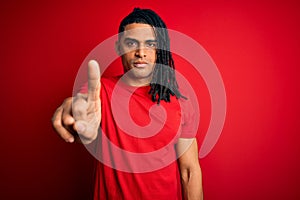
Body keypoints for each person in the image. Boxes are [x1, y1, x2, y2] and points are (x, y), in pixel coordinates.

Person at [52, 8, 203, 200]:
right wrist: (78, 119)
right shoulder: (99, 91)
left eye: (150, 44)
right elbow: (82, 109)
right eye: (131, 43)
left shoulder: (180, 101)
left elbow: (189, 171)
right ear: (118, 47)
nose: (141, 53)